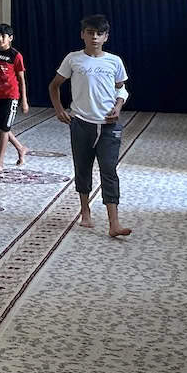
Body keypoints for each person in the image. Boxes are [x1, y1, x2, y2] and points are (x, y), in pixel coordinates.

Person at [48, 13, 132, 238]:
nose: (94, 37)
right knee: (82, 167)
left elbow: (121, 89)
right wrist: (59, 110)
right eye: (90, 33)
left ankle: (114, 222)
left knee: (109, 169)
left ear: (106, 37)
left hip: (108, 125)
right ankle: (85, 211)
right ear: (82, 34)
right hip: (82, 123)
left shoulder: (114, 61)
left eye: (99, 33)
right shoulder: (73, 59)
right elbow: (54, 86)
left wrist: (119, 105)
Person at [0, 23, 30, 172]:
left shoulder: (16, 56)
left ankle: (0, 161)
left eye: (3, 36)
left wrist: (24, 100)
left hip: (11, 96)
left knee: (4, 128)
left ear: (10, 38)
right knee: (1, 127)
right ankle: (21, 148)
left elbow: (21, 79)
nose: (0, 39)